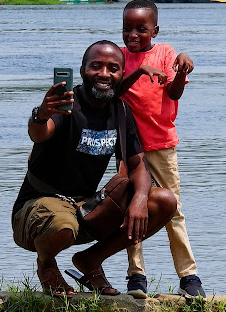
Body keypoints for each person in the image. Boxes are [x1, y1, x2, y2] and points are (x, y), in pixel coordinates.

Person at [11, 40, 177, 297]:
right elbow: (40, 134)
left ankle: (90, 260)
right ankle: (46, 264)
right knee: (63, 225)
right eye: (96, 66)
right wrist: (40, 114)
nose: (104, 74)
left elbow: (138, 164)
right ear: (82, 70)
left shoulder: (120, 110)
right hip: (38, 209)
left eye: (113, 68)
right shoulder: (66, 105)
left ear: (122, 74)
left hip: (86, 209)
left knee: (164, 201)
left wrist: (141, 198)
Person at [117, 0, 205, 299]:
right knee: (133, 211)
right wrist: (139, 70)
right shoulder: (119, 58)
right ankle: (136, 275)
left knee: (174, 212)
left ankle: (188, 276)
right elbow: (112, 92)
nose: (134, 35)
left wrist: (181, 69)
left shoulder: (166, 53)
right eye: (127, 29)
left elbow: (174, 91)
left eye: (141, 29)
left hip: (163, 146)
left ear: (154, 29)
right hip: (131, 151)